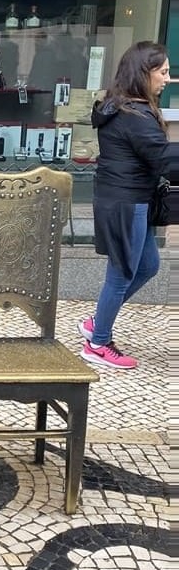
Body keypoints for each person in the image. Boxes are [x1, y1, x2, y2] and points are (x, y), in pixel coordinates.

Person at [78, 41, 171, 369]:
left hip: (131, 200)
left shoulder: (124, 107)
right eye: (163, 72)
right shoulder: (134, 114)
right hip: (126, 202)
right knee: (121, 274)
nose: (167, 79)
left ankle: (95, 323)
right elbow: (163, 158)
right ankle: (97, 343)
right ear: (143, 74)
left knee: (147, 266)